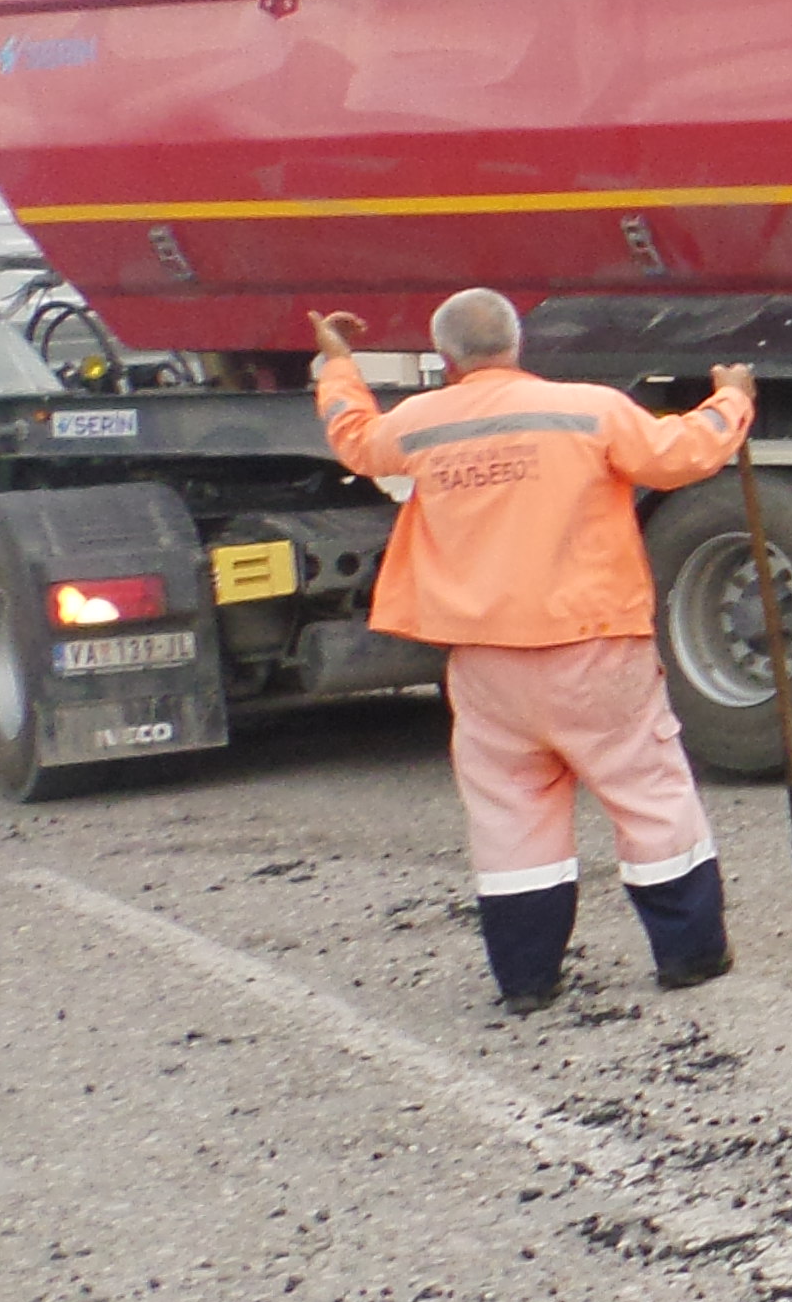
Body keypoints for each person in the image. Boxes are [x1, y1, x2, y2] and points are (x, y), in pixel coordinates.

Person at [313, 291, 757, 1012]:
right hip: (593, 650)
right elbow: (683, 455)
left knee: (512, 817)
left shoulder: (422, 424)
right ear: (518, 344)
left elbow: (354, 437)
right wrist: (730, 402)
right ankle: (689, 956)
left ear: (447, 358)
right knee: (648, 797)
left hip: (486, 662)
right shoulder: (590, 408)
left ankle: (526, 980)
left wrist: (336, 364)